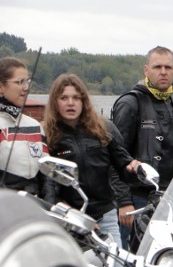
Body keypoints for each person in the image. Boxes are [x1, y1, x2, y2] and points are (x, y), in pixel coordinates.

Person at [43, 74, 141, 243]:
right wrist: (61, 208)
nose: (70, 103)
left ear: (84, 101)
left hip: (105, 215)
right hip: (69, 219)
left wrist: (134, 169)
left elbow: (124, 166)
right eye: (64, 98)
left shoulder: (103, 128)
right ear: (55, 102)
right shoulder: (48, 135)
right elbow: (46, 183)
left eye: (76, 97)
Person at [112, 46, 173, 247]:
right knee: (134, 257)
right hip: (138, 196)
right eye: (157, 67)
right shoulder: (130, 103)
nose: (163, 72)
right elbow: (115, 156)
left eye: (167, 67)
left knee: (168, 255)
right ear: (146, 70)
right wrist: (123, 201)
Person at [0, 57, 50, 197]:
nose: (26, 88)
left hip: (32, 209)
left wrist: (49, 205)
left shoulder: (35, 126)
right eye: (19, 82)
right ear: (1, 87)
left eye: (27, 81)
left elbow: (46, 174)